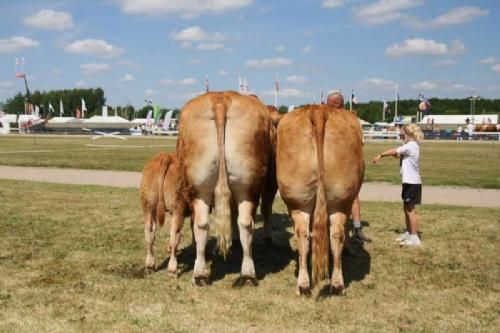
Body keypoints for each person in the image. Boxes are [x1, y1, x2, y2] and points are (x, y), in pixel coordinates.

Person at [327, 92, 371, 242]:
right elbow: (360, 144)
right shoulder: (352, 120)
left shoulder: (327, 118)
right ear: (342, 104)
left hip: (328, 163)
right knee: (353, 197)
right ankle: (357, 228)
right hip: (346, 163)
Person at [372, 124, 423, 246]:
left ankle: (414, 237)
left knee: (411, 210)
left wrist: (381, 155)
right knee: (406, 209)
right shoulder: (410, 146)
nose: (400, 136)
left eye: (401, 134)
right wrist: (397, 155)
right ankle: (409, 232)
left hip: (412, 183)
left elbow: (394, 151)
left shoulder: (411, 145)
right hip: (409, 182)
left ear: (407, 134)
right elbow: (399, 155)